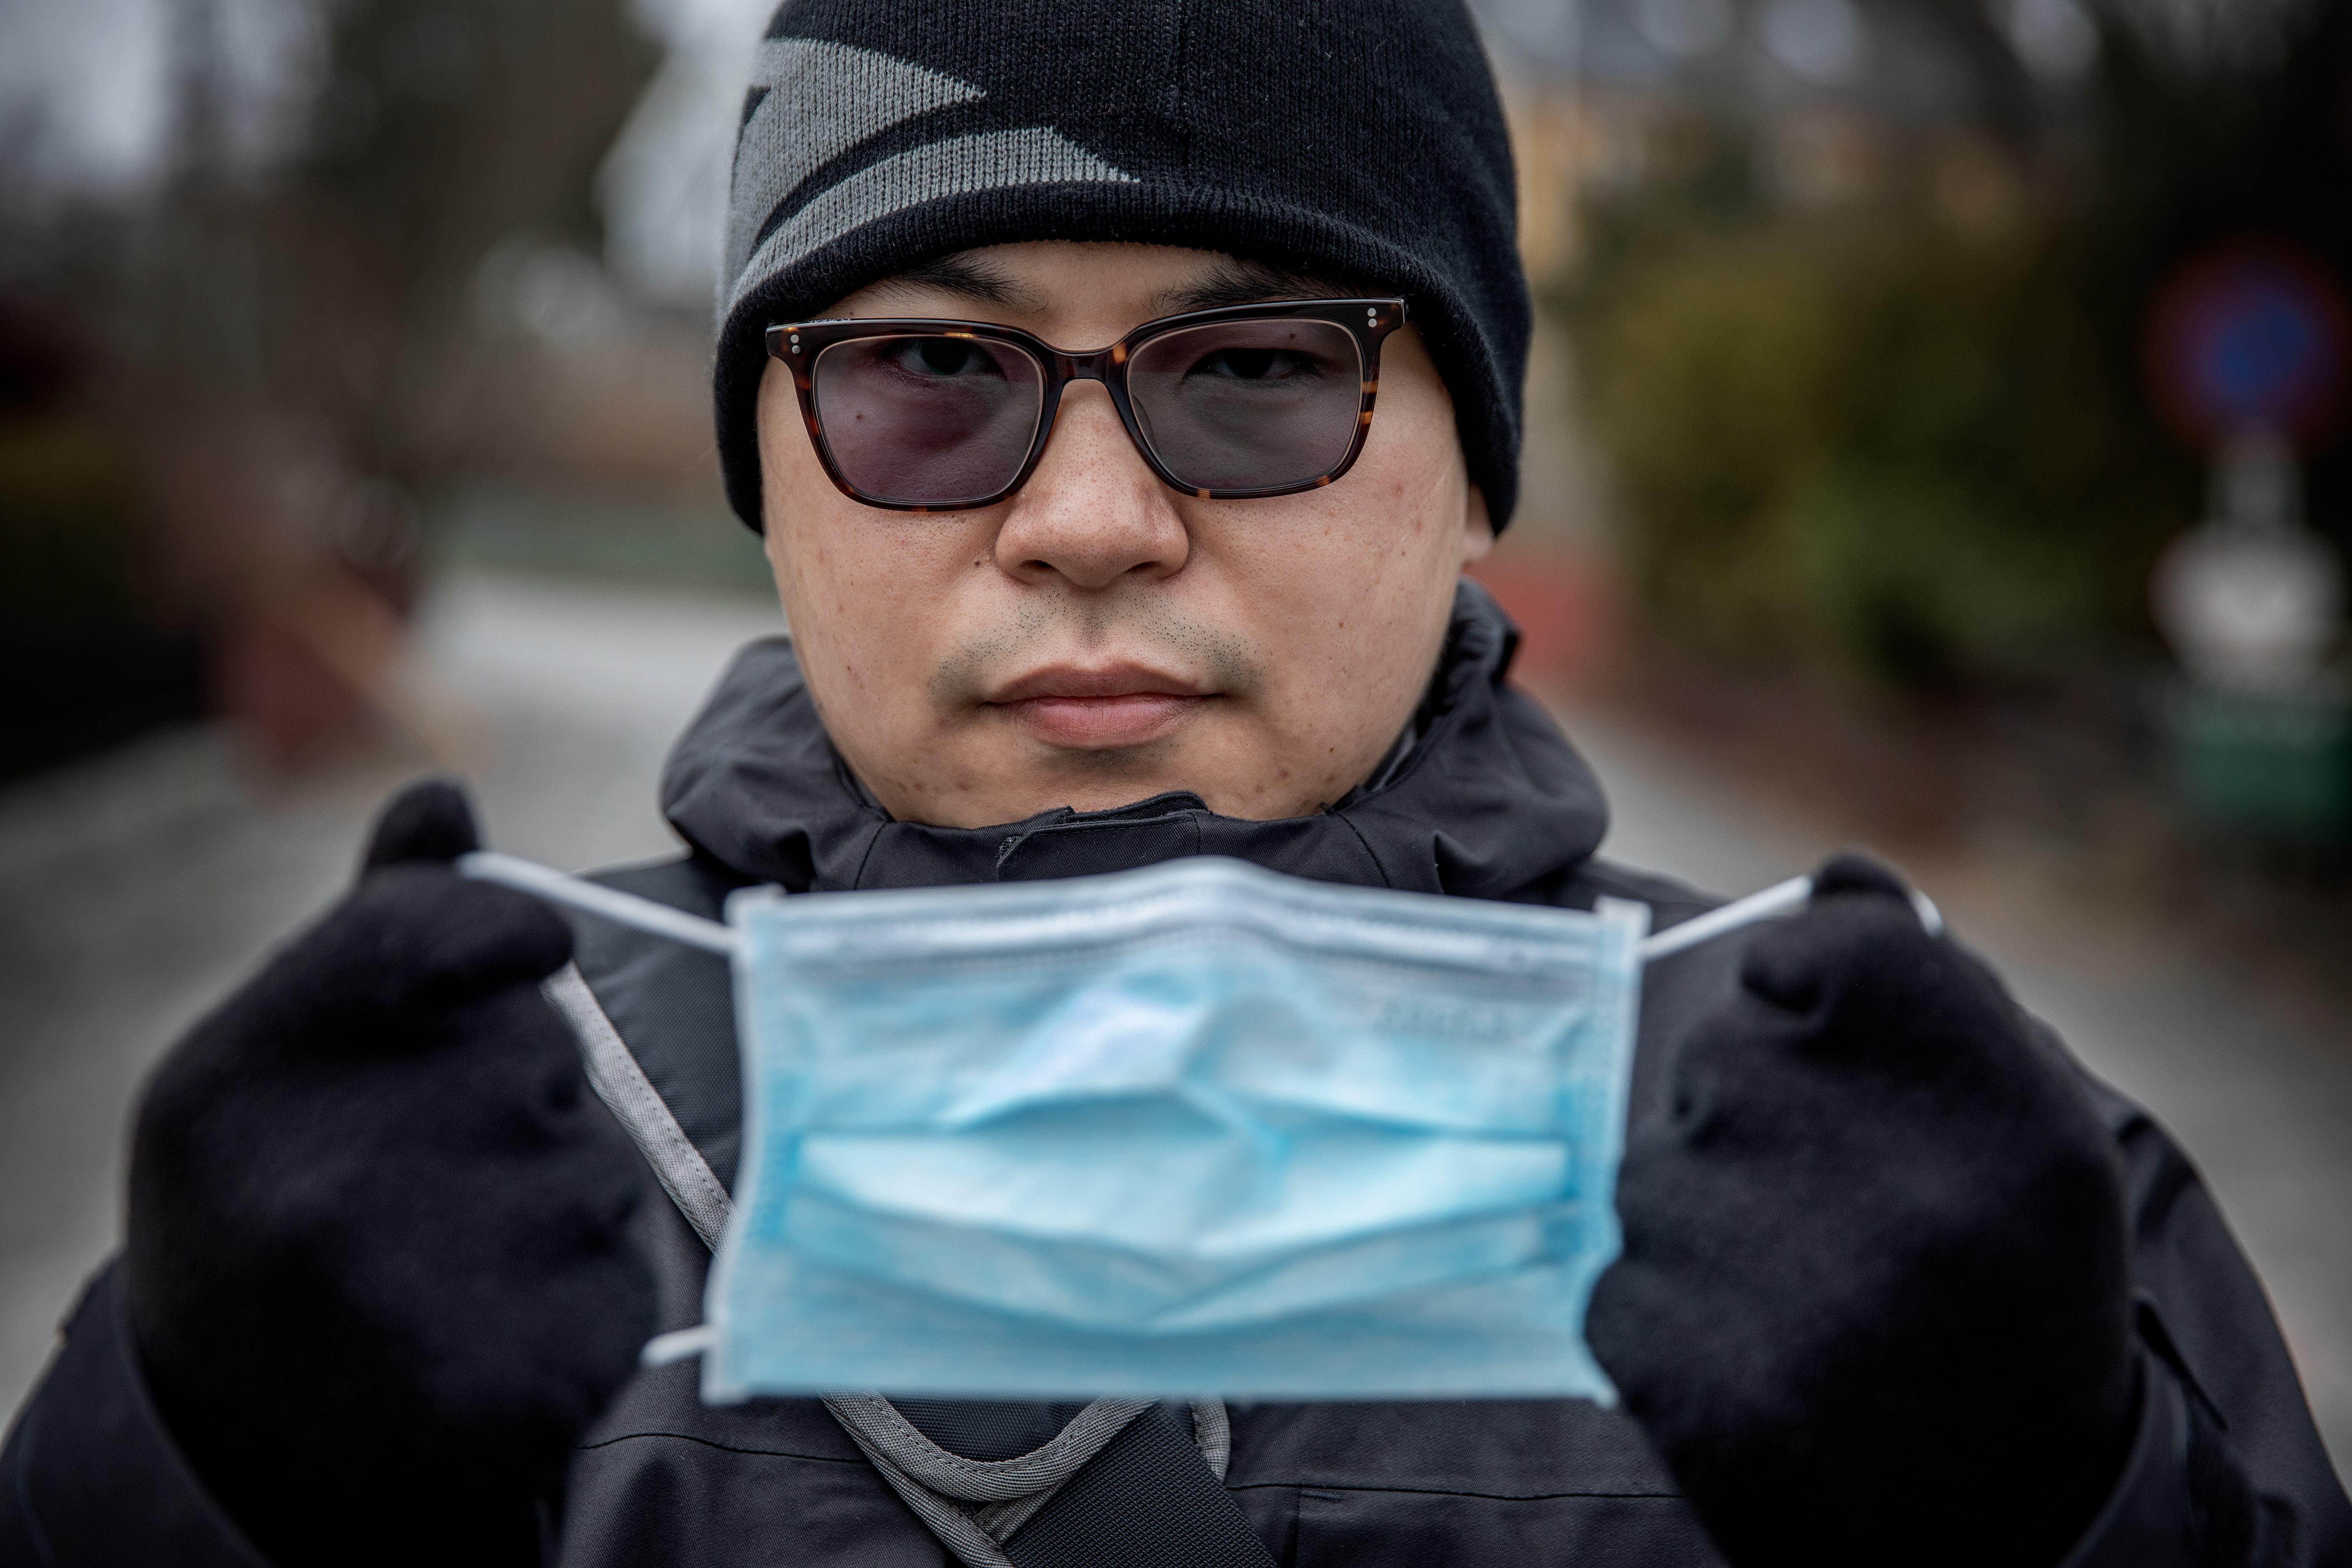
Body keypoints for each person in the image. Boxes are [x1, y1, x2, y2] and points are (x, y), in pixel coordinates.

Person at [4, 1, 2347, 1564]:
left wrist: (2079, 1509)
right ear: (767, 475)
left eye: (1258, 372)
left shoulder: (1918, 1166)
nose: (1094, 520)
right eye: (930, 377)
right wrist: (187, 1467)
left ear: (1474, 471)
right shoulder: (446, 1147)